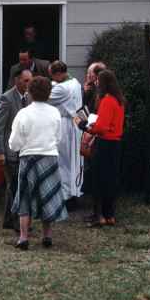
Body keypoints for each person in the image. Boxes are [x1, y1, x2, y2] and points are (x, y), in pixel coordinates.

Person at [9, 75, 67, 249]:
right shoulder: (55, 112)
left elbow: (14, 143)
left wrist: (18, 147)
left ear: (29, 92)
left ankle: (24, 238)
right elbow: (59, 138)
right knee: (47, 196)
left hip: (28, 158)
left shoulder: (23, 113)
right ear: (49, 93)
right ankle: (47, 236)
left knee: (25, 198)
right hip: (49, 157)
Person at [75, 69, 125, 227]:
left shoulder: (107, 100)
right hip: (116, 143)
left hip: (104, 144)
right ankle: (110, 215)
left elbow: (101, 127)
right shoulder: (119, 100)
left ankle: (99, 216)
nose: (96, 83)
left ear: (103, 83)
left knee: (98, 180)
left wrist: (83, 125)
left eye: (98, 81)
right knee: (111, 180)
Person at [0, 67, 33, 230]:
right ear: (17, 80)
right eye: (26, 81)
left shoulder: (30, 98)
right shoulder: (6, 99)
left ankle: (9, 219)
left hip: (25, 150)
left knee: (15, 185)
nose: (29, 84)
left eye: (31, 80)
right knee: (16, 186)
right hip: (10, 152)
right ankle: (17, 221)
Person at [48, 60, 83, 201]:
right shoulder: (75, 82)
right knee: (74, 161)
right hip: (75, 123)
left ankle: (66, 195)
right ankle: (74, 191)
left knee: (63, 161)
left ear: (59, 74)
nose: (51, 79)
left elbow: (45, 97)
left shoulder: (61, 89)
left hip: (64, 125)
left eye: (52, 75)